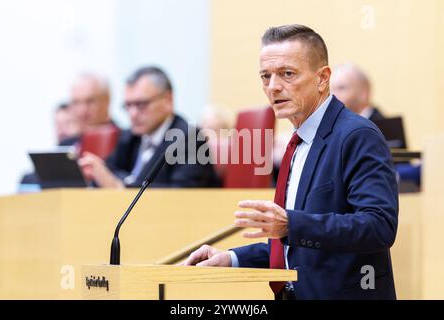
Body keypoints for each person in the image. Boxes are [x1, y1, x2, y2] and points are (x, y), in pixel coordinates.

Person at [181, 24, 398, 300]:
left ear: (322, 78)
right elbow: (302, 244)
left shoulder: (357, 135)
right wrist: (232, 257)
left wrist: (290, 225)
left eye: (287, 74)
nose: (273, 87)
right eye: (265, 76)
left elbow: (378, 226)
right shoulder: (298, 141)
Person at [78, 66, 219, 188]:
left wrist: (120, 186)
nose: (132, 114)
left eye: (141, 105)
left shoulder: (191, 139)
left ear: (168, 101)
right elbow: (108, 173)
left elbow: (182, 196)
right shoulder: (130, 137)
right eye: (128, 106)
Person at [60, 72, 116, 146]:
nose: (82, 110)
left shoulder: (128, 143)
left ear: (107, 100)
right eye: (76, 102)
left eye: (90, 101)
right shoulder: (66, 146)